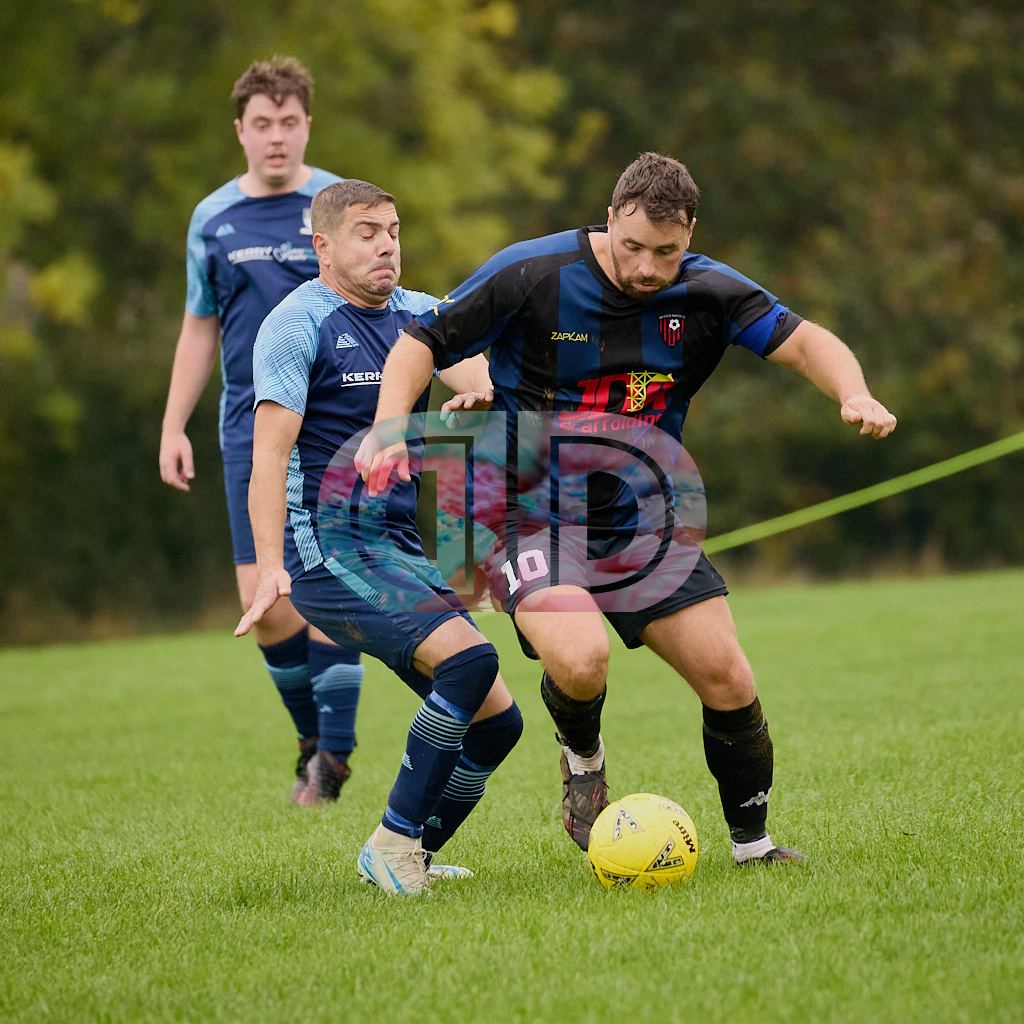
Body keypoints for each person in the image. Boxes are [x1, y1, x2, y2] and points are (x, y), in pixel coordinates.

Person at [357, 151, 897, 866]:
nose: (647, 268)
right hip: (522, 512)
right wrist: (390, 426)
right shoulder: (534, 273)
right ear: (610, 218)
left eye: (665, 252)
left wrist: (853, 392)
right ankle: (583, 758)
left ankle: (754, 847)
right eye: (633, 246)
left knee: (728, 677)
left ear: (690, 233)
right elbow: (420, 341)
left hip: (642, 519)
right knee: (582, 659)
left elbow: (805, 343)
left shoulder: (708, 291)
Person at [235, 179, 522, 894]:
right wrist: (269, 566)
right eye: (367, 233)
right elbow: (266, 457)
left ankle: (410, 851)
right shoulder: (295, 325)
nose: (386, 245)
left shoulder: (419, 315)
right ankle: (392, 845)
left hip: (396, 547)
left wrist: (482, 390)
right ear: (323, 247)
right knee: (468, 664)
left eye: (392, 231)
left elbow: (478, 373)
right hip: (328, 551)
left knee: (498, 724)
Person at [159, 57, 363, 805]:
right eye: (262, 124)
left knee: (332, 585)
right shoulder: (212, 219)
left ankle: (333, 759)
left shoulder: (337, 205)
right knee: (267, 602)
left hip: (335, 424)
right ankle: (313, 738)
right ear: (240, 131)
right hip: (251, 426)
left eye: (289, 122)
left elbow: (380, 297)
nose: (276, 136)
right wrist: (173, 424)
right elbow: (199, 325)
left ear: (307, 125)